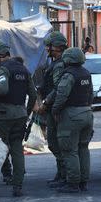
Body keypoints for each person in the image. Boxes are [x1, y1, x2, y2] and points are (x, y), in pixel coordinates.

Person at [0, 42, 37, 197]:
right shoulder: (24, 69)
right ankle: (18, 186)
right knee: (17, 149)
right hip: (20, 114)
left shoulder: (3, 70)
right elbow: (33, 95)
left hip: (4, 115)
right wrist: (26, 112)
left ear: (1, 57)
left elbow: (3, 89)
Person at [52, 47, 94, 193]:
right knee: (83, 148)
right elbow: (91, 95)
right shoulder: (86, 74)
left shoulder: (68, 75)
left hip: (72, 115)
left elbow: (61, 95)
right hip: (87, 113)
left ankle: (73, 183)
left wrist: (55, 110)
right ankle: (83, 181)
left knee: (70, 150)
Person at [38, 32, 68, 188]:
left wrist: (45, 102)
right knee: (53, 143)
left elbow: (57, 88)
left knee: (56, 143)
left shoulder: (59, 65)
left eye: (50, 46)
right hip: (53, 109)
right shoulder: (55, 63)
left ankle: (64, 175)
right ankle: (61, 174)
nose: (47, 49)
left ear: (57, 47)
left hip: (56, 110)